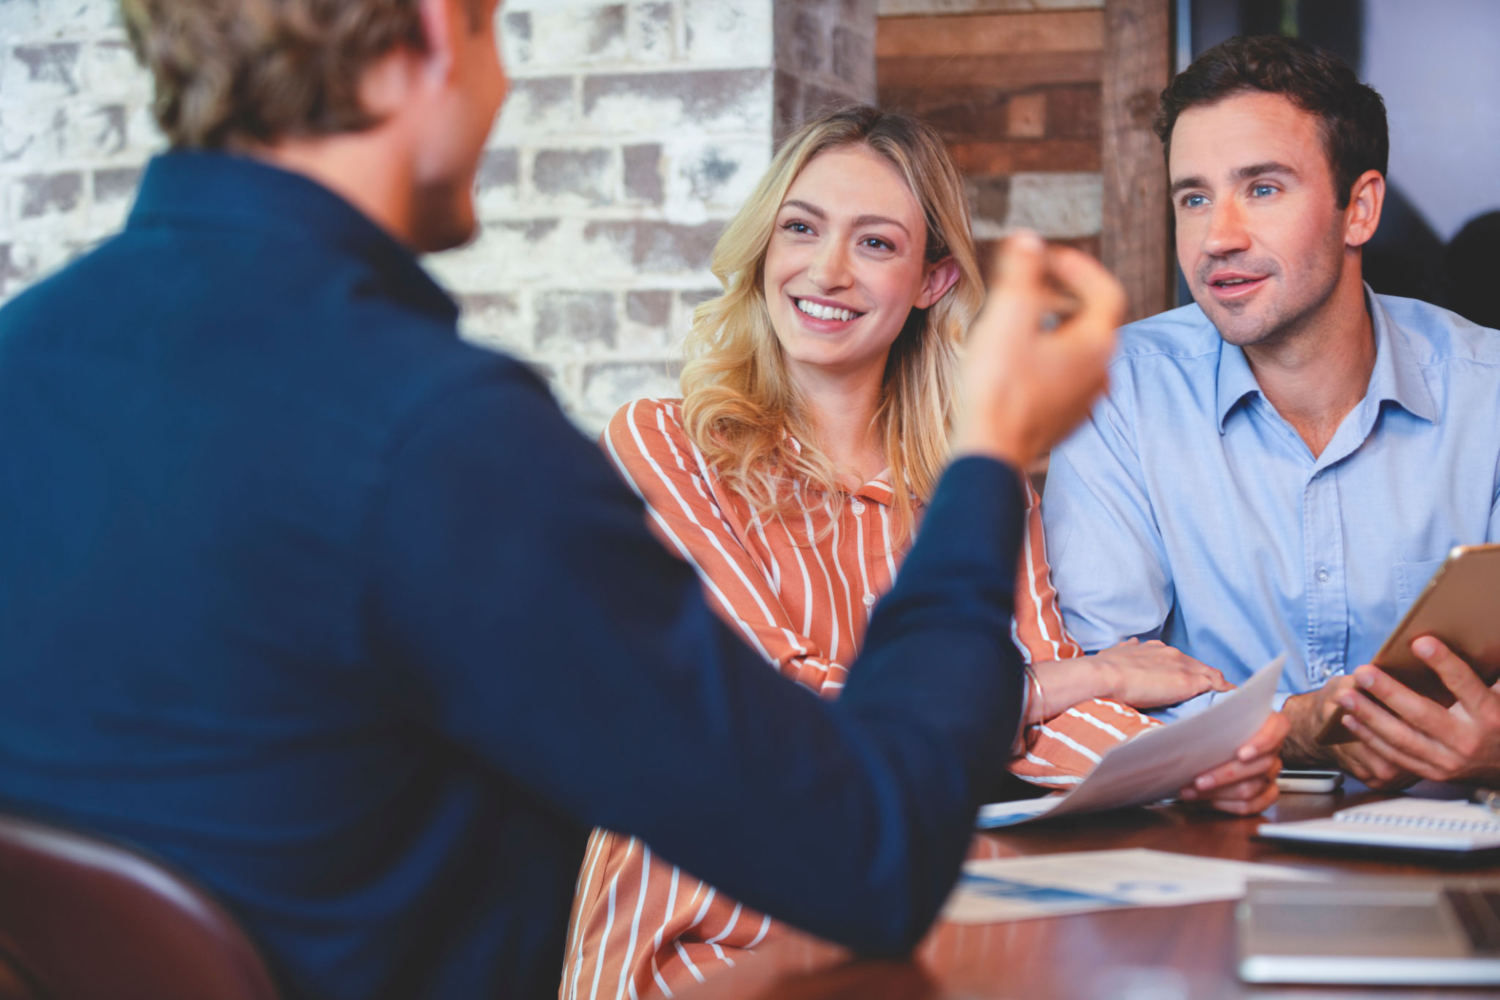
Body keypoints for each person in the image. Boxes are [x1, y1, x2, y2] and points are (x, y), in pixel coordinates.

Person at [0, 2, 1284, 998]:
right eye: (500, 30)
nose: (501, 88)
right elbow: (864, 853)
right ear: (436, 37)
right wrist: (996, 448)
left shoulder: (23, 363)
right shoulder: (442, 439)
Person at [560, 105, 1286, 999]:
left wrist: (1187, 761)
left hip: (896, 912)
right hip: (700, 922)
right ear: (763, 247)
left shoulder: (977, 477)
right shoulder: (662, 446)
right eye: (801, 228)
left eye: (875, 244)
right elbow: (786, 716)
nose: (826, 270)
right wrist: (1088, 679)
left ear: (933, 280)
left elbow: (1051, 710)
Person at [1041, 34, 1500, 789]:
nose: (1218, 238)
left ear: (1360, 208)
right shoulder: (1115, 392)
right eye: (1194, 197)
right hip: (1207, 855)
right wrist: (1295, 727)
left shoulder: (1487, 391)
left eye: (1262, 188)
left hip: (1457, 849)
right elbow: (1096, 690)